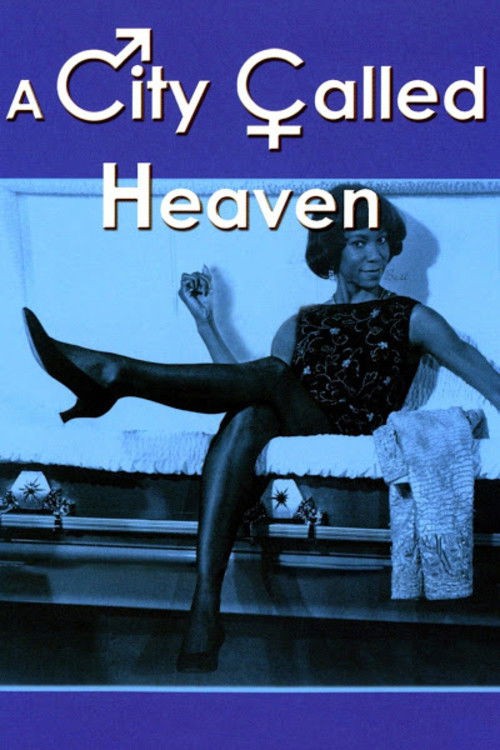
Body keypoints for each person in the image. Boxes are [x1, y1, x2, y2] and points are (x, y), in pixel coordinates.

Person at [22, 185, 500, 673]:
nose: (375, 254)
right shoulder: (300, 324)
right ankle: (206, 600)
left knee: (270, 376)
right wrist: (206, 324)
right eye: (359, 242)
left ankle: (116, 376)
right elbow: (240, 385)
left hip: (348, 431)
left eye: (381, 241)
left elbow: (484, 376)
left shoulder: (413, 317)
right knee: (249, 412)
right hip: (296, 423)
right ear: (332, 249)